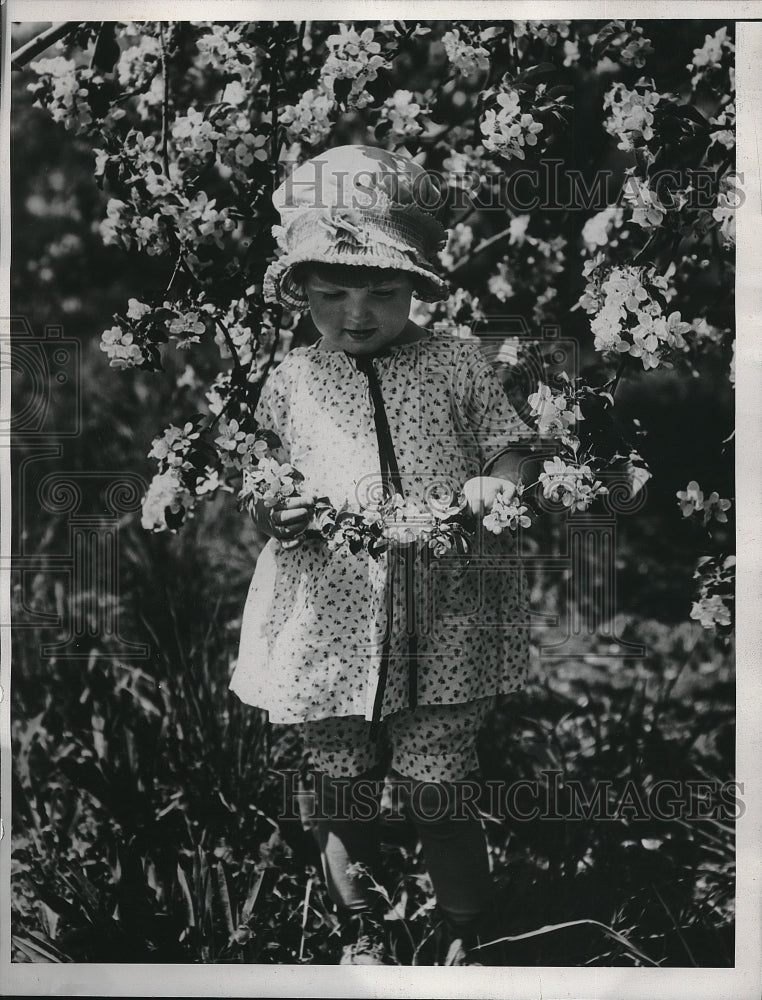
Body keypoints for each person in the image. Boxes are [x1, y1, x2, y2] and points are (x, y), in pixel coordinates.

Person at [230, 145, 537, 965]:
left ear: (419, 288)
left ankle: (466, 931)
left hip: (446, 613)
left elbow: (511, 447)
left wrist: (496, 487)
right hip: (328, 617)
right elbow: (264, 476)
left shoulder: (454, 362)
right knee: (339, 782)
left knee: (439, 778)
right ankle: (361, 928)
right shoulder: (293, 378)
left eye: (383, 291)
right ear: (300, 291)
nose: (357, 313)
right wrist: (277, 507)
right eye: (330, 294)